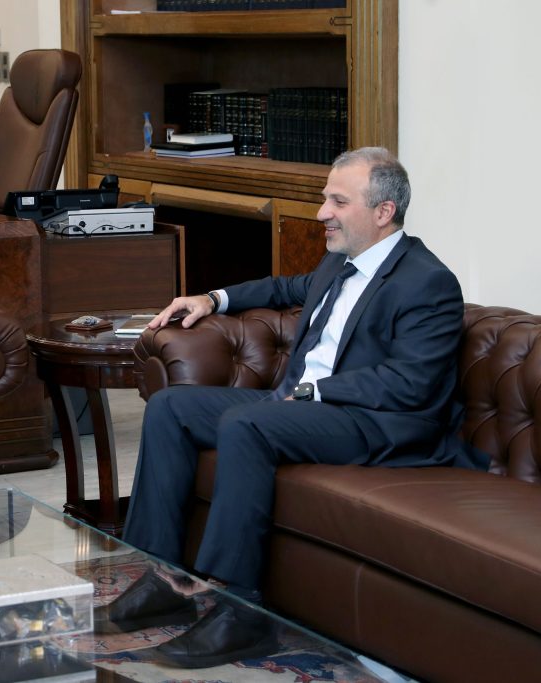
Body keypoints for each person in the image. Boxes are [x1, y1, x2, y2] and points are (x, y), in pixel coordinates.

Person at [99, 147, 489, 669]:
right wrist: (212, 299)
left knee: (247, 423)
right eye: (325, 199)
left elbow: (410, 382)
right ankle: (161, 579)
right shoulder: (340, 262)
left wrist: (312, 392)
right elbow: (284, 287)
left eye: (338, 202)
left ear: (383, 212)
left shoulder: (428, 282)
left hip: (374, 422)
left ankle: (241, 611)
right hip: (301, 406)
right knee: (171, 408)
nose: (322, 212)